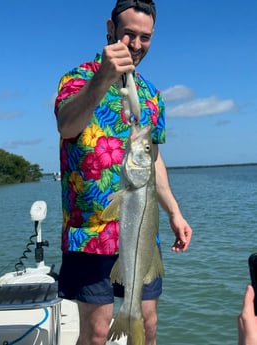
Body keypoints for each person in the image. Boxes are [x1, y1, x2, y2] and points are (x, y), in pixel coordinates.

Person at [54, 1, 193, 344]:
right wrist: (103, 77)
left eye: (145, 37)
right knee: (98, 332)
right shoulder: (77, 78)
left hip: (142, 228)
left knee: (146, 325)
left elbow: (154, 158)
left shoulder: (151, 96)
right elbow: (66, 126)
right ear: (110, 28)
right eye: (129, 33)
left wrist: (174, 212)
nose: (135, 43)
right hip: (90, 232)